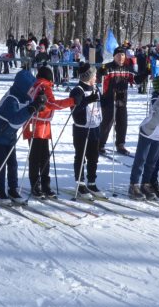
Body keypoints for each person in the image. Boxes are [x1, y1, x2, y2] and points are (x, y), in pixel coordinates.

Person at [0, 69, 44, 203]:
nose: (32, 90)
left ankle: (13, 189)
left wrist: (38, 103)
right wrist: (31, 108)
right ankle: (0, 192)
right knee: (1, 163)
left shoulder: (24, 97)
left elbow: (30, 110)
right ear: (23, 87)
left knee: (13, 164)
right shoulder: (11, 99)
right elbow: (16, 118)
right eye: (31, 88)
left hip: (9, 134)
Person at [24, 66, 76, 199]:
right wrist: (72, 101)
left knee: (40, 156)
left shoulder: (35, 84)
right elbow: (52, 104)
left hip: (37, 123)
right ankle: (39, 186)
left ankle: (41, 185)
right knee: (39, 157)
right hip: (38, 124)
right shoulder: (44, 86)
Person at [70, 63, 102, 195]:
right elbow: (75, 109)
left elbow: (101, 102)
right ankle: (80, 183)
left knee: (93, 156)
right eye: (94, 75)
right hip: (81, 129)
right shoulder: (77, 90)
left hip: (95, 126)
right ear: (89, 76)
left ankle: (92, 182)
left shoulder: (95, 88)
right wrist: (88, 100)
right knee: (81, 156)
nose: (96, 77)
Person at [98, 47, 136, 156]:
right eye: (118, 55)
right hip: (109, 100)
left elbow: (135, 79)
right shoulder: (109, 67)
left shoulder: (127, 68)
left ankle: (120, 144)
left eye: (123, 55)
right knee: (107, 123)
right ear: (114, 56)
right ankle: (100, 144)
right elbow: (99, 77)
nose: (121, 57)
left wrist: (145, 74)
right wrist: (101, 72)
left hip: (122, 99)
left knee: (122, 122)